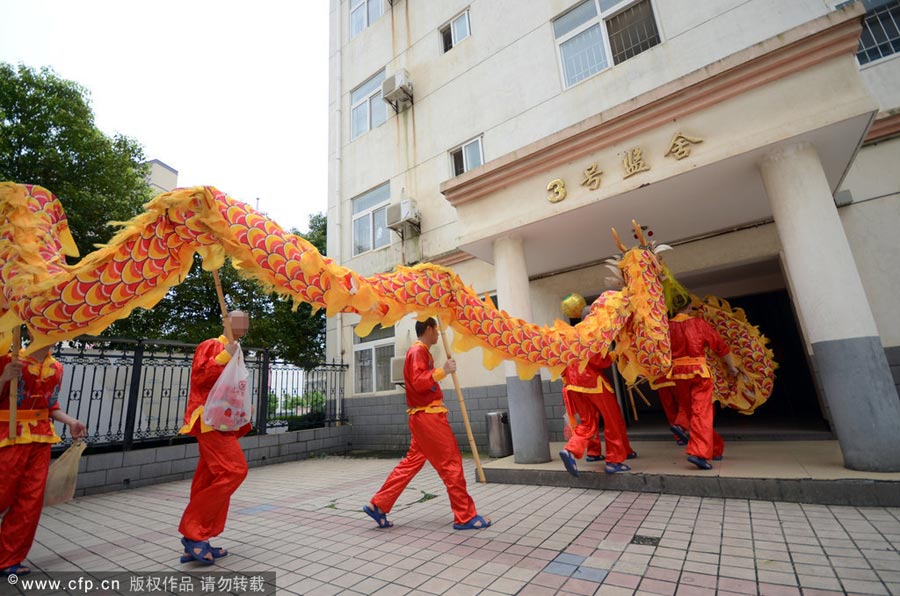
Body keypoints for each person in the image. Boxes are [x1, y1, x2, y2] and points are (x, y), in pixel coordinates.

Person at [363, 318, 490, 530]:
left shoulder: (421, 352)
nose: (438, 334)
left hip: (422, 418)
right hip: (429, 418)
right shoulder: (417, 351)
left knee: (411, 463)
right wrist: (444, 370)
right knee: (451, 463)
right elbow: (419, 381)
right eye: (436, 330)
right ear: (429, 329)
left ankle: (379, 505)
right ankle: (465, 515)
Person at [0, 337, 86, 577]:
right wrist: (4, 378)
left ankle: (8, 559)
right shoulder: (9, 359)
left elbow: (51, 405)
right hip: (9, 436)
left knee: (30, 501)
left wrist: (71, 422)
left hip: (41, 438)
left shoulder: (57, 367)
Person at [178, 311, 252, 565]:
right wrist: (225, 355)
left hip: (224, 422)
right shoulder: (212, 345)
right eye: (238, 319)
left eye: (246, 320)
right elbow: (200, 378)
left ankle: (200, 538)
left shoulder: (237, 350)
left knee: (207, 478)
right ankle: (193, 530)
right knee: (234, 470)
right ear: (226, 321)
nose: (244, 324)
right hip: (209, 421)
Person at [559, 306, 636, 476]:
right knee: (612, 419)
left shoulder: (572, 333)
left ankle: (570, 451)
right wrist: (614, 355)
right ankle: (614, 461)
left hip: (572, 384)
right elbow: (599, 361)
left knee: (588, 423)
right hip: (593, 383)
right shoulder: (591, 331)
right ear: (593, 315)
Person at [666, 295, 737, 470]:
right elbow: (720, 346)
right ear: (689, 307)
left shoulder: (666, 327)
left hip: (678, 374)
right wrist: (732, 367)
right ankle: (698, 452)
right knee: (702, 413)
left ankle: (715, 447)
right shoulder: (698, 324)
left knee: (693, 414)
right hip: (699, 373)